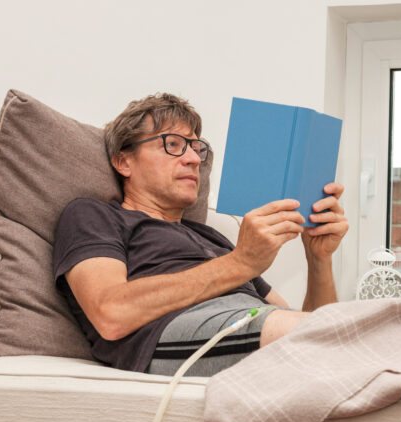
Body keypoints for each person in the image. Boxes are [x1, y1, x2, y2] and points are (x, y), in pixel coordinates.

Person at [52, 92, 348, 376]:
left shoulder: (211, 238)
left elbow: (310, 320)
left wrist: (318, 258)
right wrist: (241, 263)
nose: (193, 159)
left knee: (338, 331)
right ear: (123, 161)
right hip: (168, 333)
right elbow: (111, 314)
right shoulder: (93, 215)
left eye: (196, 148)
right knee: (341, 338)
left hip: (255, 324)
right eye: (173, 144)